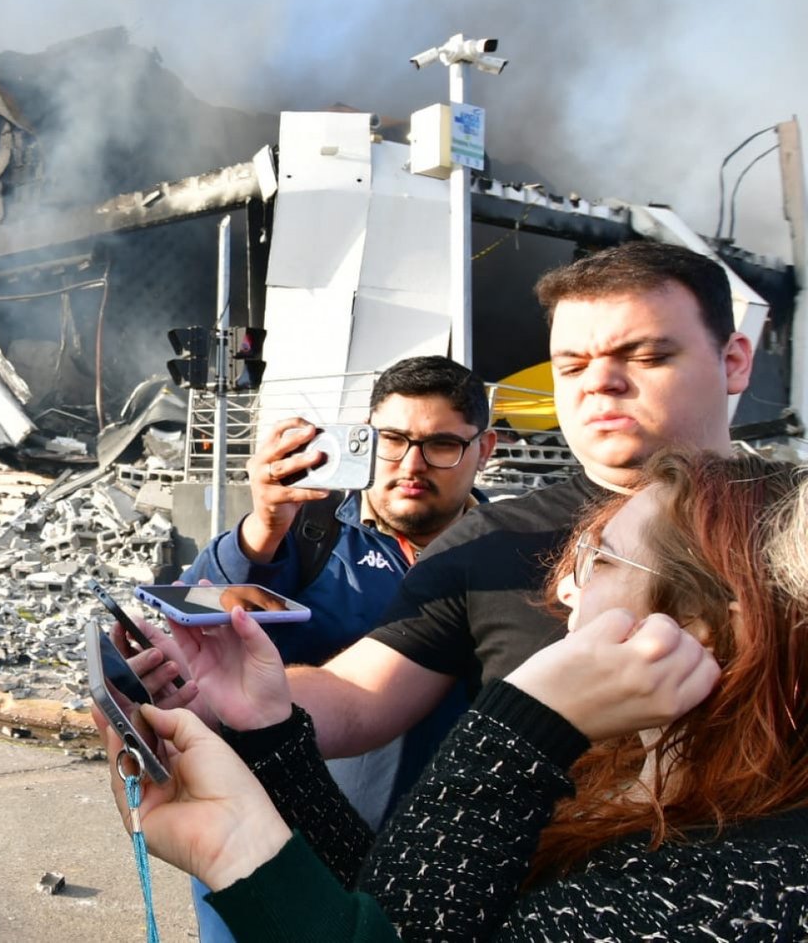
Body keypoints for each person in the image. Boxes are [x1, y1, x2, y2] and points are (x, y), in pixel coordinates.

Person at [107, 448, 808, 940]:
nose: (565, 589)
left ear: (701, 628)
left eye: (599, 561)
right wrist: (265, 730)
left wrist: (524, 724)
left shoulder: (743, 886)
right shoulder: (629, 788)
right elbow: (401, 909)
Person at [273, 241, 753, 761]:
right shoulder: (489, 543)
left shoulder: (791, 521)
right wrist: (216, 692)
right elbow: (354, 699)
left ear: (733, 362)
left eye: (647, 356)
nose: (599, 383)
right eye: (571, 367)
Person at [148, 355, 495, 939]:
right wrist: (262, 525)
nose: (411, 464)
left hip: (430, 857)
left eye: (441, 445)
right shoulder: (306, 532)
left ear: (484, 450)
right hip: (272, 837)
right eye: (392, 440)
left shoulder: (512, 553)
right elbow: (196, 611)